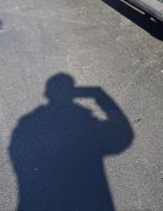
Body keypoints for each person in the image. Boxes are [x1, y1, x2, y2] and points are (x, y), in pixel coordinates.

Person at [9, 73, 133, 210]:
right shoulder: (85, 127)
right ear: (73, 93)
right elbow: (123, 135)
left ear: (47, 94)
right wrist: (101, 97)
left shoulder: (24, 127)